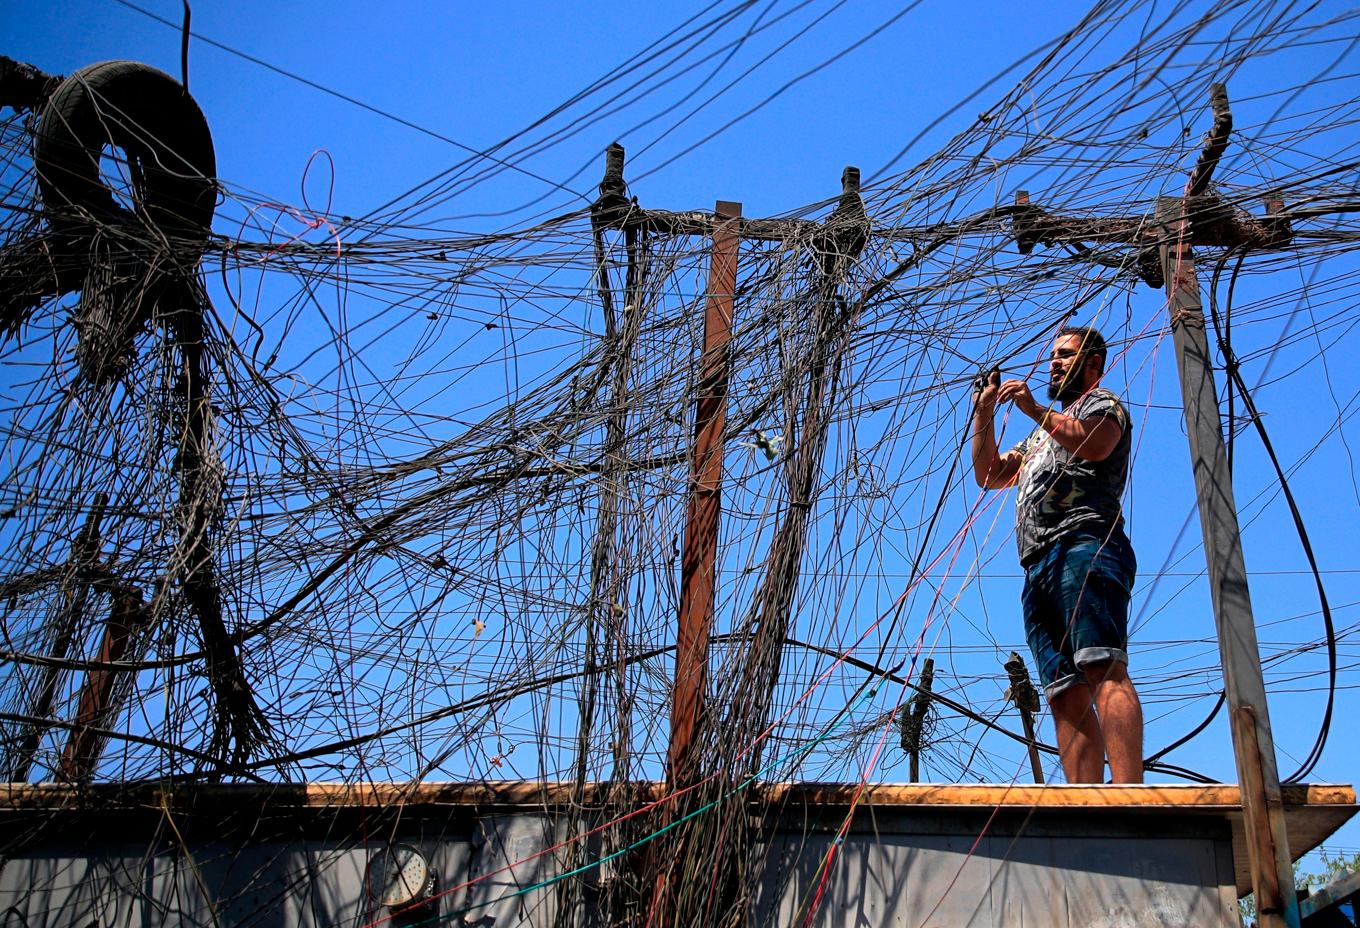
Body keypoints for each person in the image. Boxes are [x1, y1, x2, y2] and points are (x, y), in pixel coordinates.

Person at [970, 326, 1143, 784]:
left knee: (1101, 663)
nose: (1054, 363)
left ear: (1093, 364)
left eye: (1065, 356)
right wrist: (983, 414)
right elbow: (989, 474)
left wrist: (1032, 408)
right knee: (1064, 692)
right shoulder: (1038, 440)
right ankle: (1085, 802)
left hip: (1084, 545)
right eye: (1052, 357)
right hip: (1038, 566)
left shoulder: (1102, 404)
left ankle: (1130, 796)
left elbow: (1095, 443)